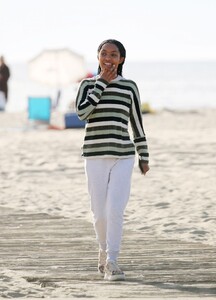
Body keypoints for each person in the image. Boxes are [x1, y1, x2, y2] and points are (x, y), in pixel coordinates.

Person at [75, 39, 149, 281]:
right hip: (94, 155)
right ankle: (103, 250)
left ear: (121, 59)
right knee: (100, 214)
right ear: (98, 57)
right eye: (104, 54)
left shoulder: (129, 87)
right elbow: (82, 113)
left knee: (115, 210)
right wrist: (102, 85)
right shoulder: (87, 85)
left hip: (123, 155)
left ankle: (112, 261)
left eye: (114, 54)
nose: (108, 58)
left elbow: (136, 121)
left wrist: (143, 155)